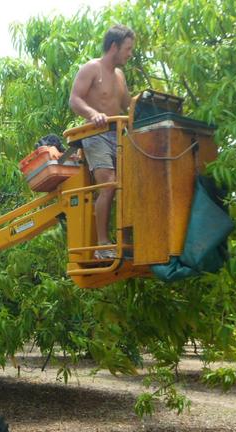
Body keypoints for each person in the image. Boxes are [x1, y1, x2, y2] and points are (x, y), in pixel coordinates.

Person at [69, 24, 135, 259]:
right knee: (108, 184)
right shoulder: (91, 68)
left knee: (129, 184)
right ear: (114, 46)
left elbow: (128, 105)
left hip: (118, 135)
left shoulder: (119, 76)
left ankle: (127, 240)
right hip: (96, 134)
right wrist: (91, 114)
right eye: (127, 49)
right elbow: (74, 99)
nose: (130, 54)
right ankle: (102, 244)